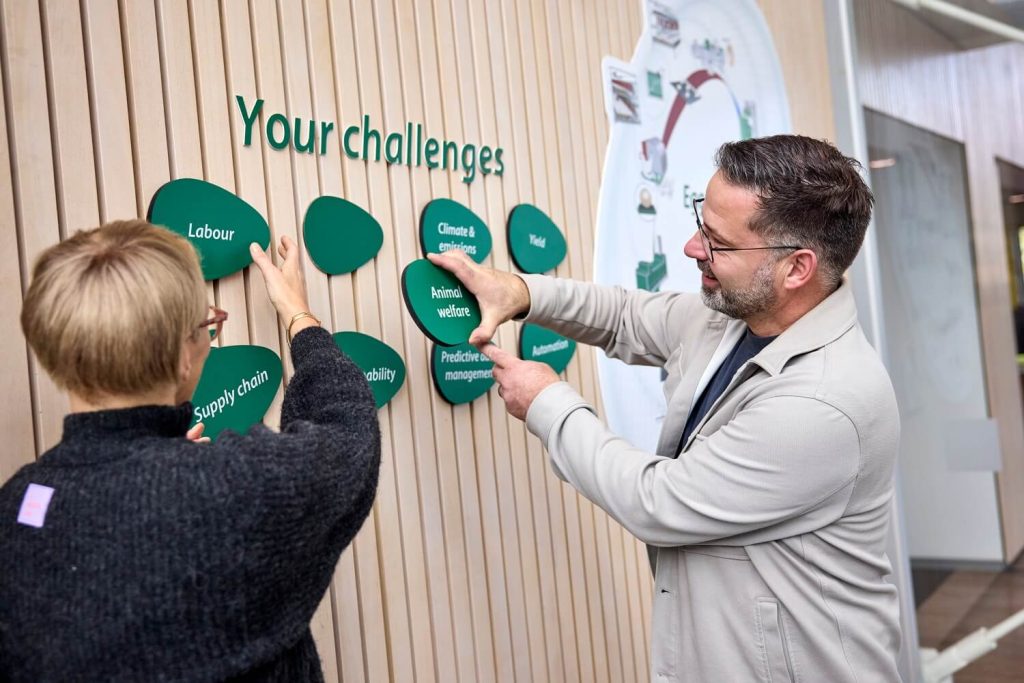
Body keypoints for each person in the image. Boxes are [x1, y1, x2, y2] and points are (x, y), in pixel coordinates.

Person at [430, 135, 902, 682]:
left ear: (797, 268)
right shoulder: (737, 317)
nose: (692, 248)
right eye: (702, 222)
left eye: (718, 243)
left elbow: (658, 502)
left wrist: (546, 402)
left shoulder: (825, 402)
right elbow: (625, 315)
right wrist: (518, 291)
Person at [0, 220, 380, 682]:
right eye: (206, 326)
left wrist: (156, 480)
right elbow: (348, 433)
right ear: (182, 356)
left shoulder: (14, 507)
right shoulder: (228, 489)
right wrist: (301, 318)